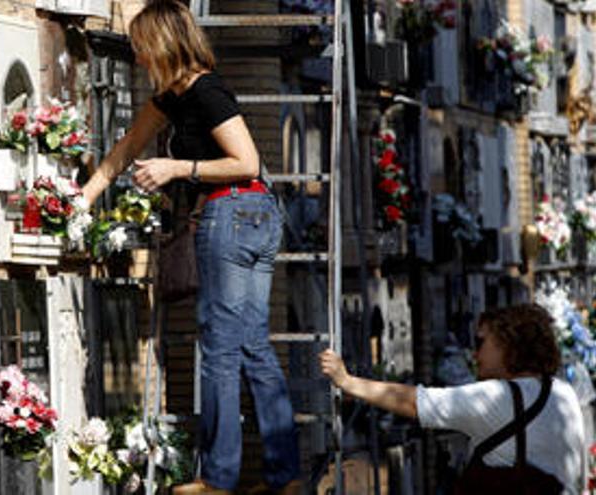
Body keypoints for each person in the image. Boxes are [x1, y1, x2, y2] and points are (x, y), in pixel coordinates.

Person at [80, 1, 300, 493]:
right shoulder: (173, 98)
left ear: (161, 43)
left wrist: (179, 168)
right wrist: (79, 202)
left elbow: (247, 160)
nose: (138, 59)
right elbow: (124, 151)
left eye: (141, 48)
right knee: (252, 347)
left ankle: (218, 480)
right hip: (254, 215)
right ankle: (286, 478)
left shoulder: (206, 90)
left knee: (219, 351)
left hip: (233, 212)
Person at [320, 304, 585, 494]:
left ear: (508, 344)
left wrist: (348, 382)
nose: (474, 353)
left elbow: (415, 403)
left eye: (481, 343)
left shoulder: (498, 397)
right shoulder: (563, 394)